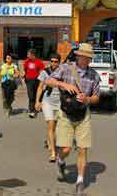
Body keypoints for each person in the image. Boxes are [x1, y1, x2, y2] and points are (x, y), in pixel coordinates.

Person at [45, 43, 100, 196]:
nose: (87, 59)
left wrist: (87, 99)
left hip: (83, 115)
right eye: (84, 56)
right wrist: (62, 84)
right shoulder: (66, 68)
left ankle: (80, 181)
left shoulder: (94, 75)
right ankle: (61, 161)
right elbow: (48, 81)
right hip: (66, 114)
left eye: (89, 57)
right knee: (66, 149)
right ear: (79, 56)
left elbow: (97, 97)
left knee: (82, 149)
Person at [35, 53, 61, 162]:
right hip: (47, 101)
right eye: (52, 61)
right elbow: (40, 87)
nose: (53, 63)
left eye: (56, 61)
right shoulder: (45, 72)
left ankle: (49, 140)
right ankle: (53, 153)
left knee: (56, 127)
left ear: (59, 62)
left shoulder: (63, 72)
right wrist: (37, 101)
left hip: (60, 102)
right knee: (51, 125)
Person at [23, 49, 45, 118]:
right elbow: (25, 70)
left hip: (37, 80)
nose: (27, 55)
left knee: (37, 94)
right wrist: (24, 77)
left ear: (32, 55)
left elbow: (42, 71)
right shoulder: (26, 62)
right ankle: (32, 110)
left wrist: (43, 81)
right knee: (31, 95)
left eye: (28, 54)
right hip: (29, 81)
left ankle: (37, 106)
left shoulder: (39, 62)